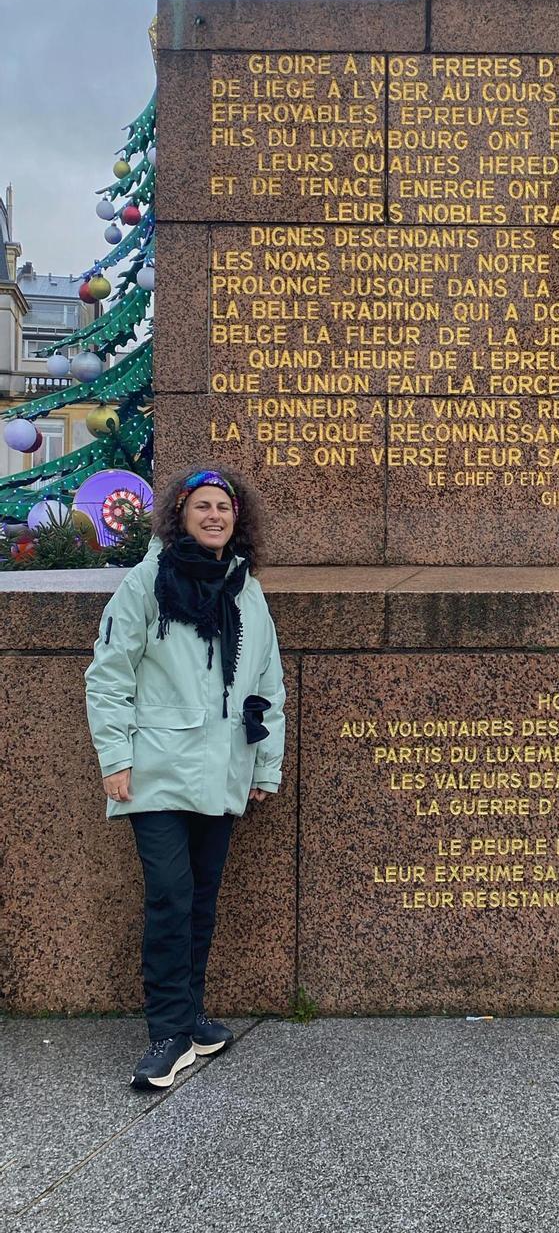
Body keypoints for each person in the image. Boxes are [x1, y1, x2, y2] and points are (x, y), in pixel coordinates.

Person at [86, 467, 286, 1089]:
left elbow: (265, 688)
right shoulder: (147, 582)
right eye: (203, 506)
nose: (214, 516)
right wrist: (115, 758)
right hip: (156, 771)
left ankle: (193, 1017)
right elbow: (109, 676)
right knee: (170, 896)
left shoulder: (244, 590)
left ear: (236, 517)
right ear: (181, 512)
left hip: (222, 770)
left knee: (200, 899)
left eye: (223, 507)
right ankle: (167, 1032)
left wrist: (265, 767)